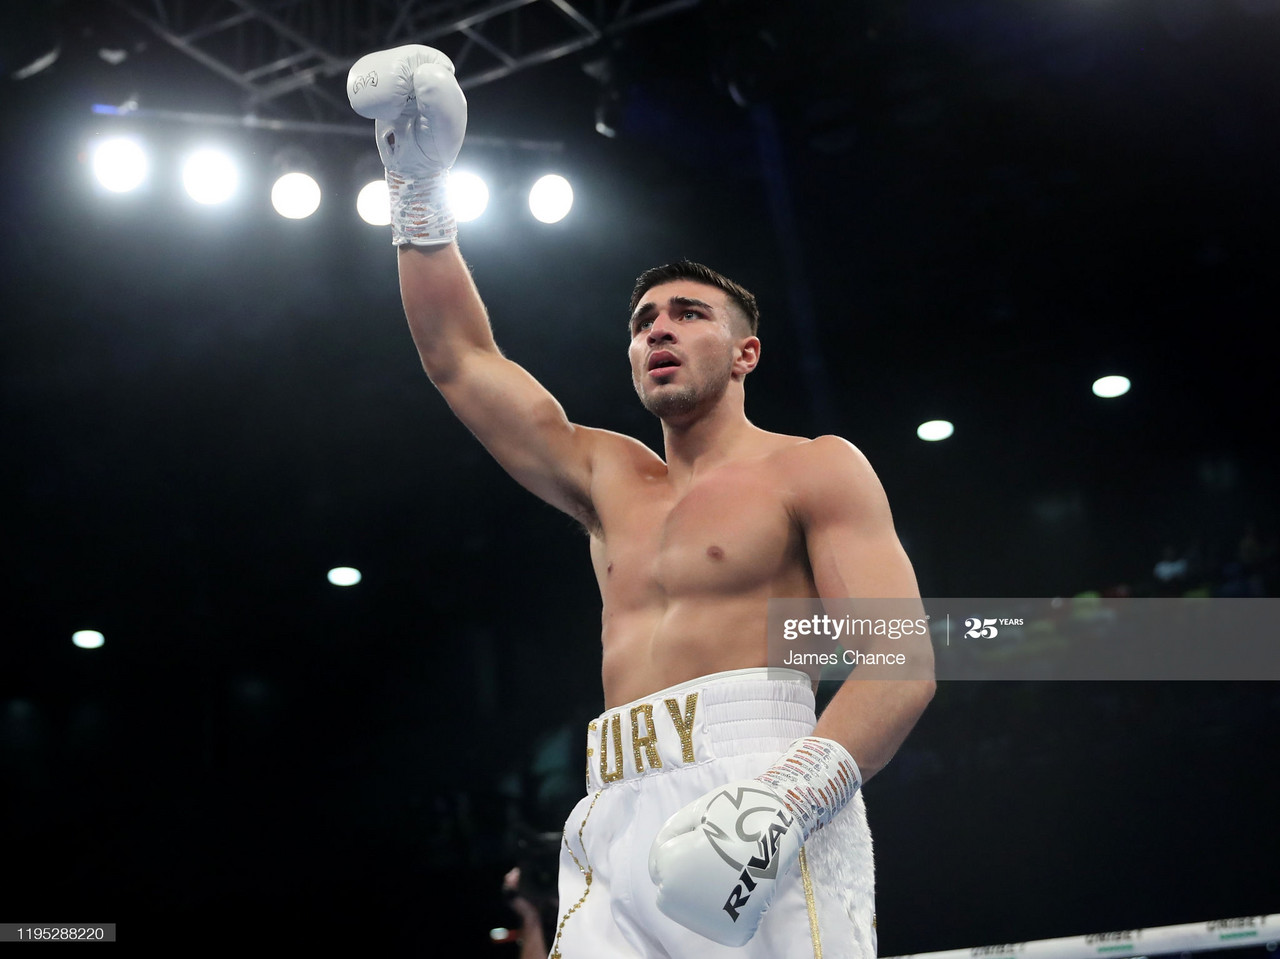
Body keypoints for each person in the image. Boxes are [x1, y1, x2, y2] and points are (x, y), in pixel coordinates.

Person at [349, 45, 936, 959]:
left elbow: (901, 663)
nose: (658, 327)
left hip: (765, 781)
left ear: (745, 353)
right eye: (642, 321)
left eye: (688, 313)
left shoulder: (814, 468)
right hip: (614, 805)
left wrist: (788, 797)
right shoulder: (606, 477)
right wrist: (419, 191)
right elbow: (460, 360)